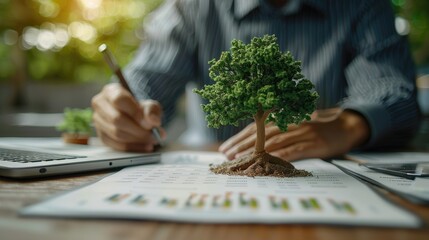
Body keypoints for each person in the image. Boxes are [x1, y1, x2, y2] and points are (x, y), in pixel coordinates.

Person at [91, 0, 421, 162]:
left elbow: (394, 90)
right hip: (214, 178)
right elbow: (144, 84)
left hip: (330, 173)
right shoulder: (192, 6)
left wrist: (350, 124)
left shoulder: (362, 5)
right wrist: (122, 110)